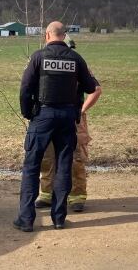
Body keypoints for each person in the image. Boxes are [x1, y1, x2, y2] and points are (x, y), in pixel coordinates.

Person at [14, 22, 97, 232]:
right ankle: (59, 219)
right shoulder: (76, 59)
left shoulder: (38, 57)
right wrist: (77, 111)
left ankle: (26, 220)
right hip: (67, 117)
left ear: (48, 35)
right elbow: (91, 87)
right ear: (64, 36)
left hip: (43, 115)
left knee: (32, 167)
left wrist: (28, 113)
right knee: (63, 166)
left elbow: (25, 89)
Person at [35, 34, 102, 212]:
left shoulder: (76, 63)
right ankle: (46, 194)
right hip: (51, 116)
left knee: (75, 158)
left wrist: (81, 110)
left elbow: (95, 90)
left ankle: (77, 197)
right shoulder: (47, 60)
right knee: (47, 156)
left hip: (74, 117)